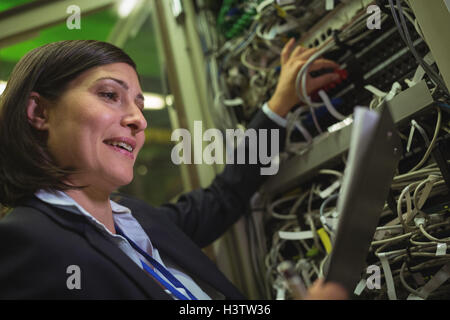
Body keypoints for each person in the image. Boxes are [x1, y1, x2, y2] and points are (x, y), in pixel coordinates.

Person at [0, 39, 347, 300]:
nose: (138, 119)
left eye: (139, 104)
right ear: (39, 113)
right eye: (109, 95)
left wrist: (278, 107)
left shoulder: (136, 219)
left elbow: (225, 196)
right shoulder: (24, 242)